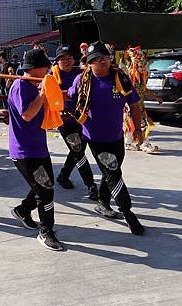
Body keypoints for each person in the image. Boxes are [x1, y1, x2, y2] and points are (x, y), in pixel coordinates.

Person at [68, 41, 145, 235]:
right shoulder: (82, 80)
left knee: (111, 170)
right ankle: (128, 212)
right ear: (89, 63)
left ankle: (103, 203)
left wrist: (137, 128)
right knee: (113, 173)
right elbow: (67, 98)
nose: (101, 61)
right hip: (95, 137)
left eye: (104, 57)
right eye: (96, 59)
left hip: (116, 135)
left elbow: (134, 104)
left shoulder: (120, 78)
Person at [7, 48, 64, 251]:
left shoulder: (37, 83)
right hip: (24, 150)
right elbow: (27, 115)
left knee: (43, 187)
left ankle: (23, 210)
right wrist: (42, 93)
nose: (49, 69)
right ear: (36, 68)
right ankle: (46, 231)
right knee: (45, 192)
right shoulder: (20, 86)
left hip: (39, 147)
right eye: (46, 66)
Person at [51, 45, 99, 200]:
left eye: (69, 58)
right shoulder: (51, 76)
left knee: (77, 151)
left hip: (82, 118)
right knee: (78, 150)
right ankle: (91, 185)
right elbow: (46, 94)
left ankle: (63, 175)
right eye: (63, 58)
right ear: (57, 61)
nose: (67, 61)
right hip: (64, 119)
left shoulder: (81, 73)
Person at [123, 46, 163, 153]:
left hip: (140, 104)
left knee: (136, 124)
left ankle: (129, 143)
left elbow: (144, 90)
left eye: (144, 64)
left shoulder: (142, 77)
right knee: (140, 124)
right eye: (140, 64)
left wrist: (156, 97)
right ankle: (144, 143)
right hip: (131, 105)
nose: (143, 66)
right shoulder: (130, 75)